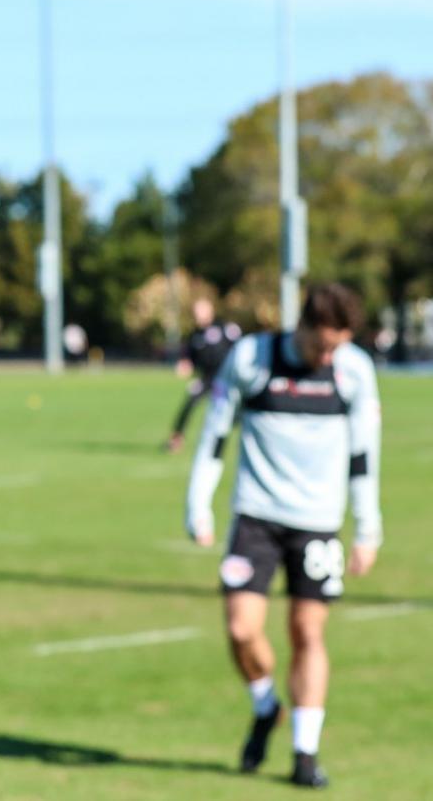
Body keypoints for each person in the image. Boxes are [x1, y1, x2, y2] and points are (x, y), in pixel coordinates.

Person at [184, 283, 382, 788]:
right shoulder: (252, 357)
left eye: (339, 345)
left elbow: (364, 454)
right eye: (323, 344)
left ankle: (305, 753)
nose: (330, 355)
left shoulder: (354, 370)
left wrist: (367, 528)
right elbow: (215, 432)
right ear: (302, 328)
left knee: (307, 633)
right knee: (241, 629)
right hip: (256, 516)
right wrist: (198, 505)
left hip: (318, 522)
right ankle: (265, 704)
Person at [165, 298, 241, 453]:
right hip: (206, 378)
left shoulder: (224, 328)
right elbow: (189, 358)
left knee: (231, 410)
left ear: (210, 310)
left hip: (225, 378)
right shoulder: (195, 335)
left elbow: (239, 347)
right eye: (195, 311)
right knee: (190, 401)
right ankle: (176, 438)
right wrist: (185, 364)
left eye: (201, 310)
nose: (197, 314)